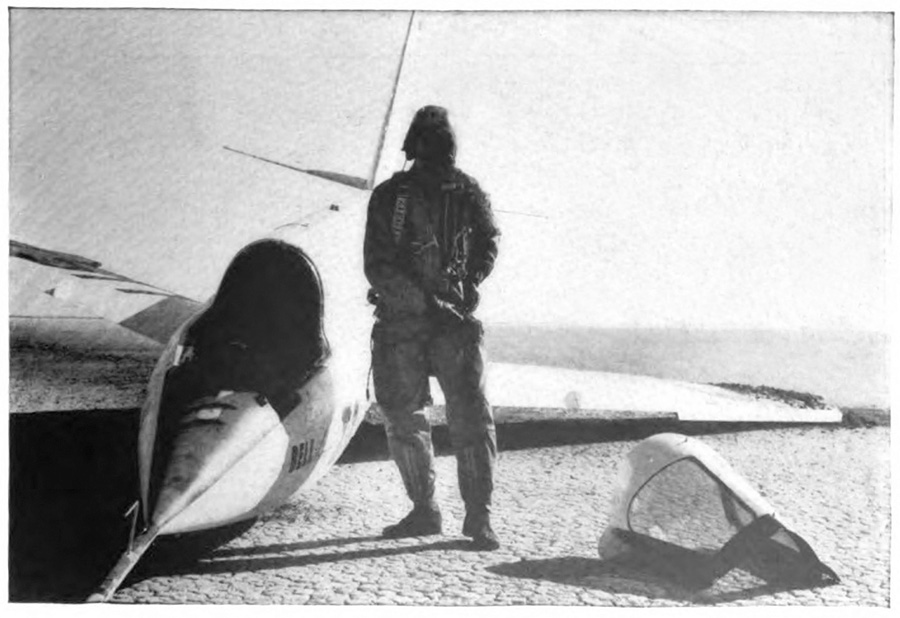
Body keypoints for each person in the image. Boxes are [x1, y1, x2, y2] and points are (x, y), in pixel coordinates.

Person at [364, 105, 501, 550]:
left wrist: (470, 282)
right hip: (404, 324)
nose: (434, 153)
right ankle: (425, 510)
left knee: (471, 419)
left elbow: (489, 240)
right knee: (404, 418)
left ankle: (479, 517)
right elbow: (378, 264)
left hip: (453, 326)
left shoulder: (467, 193)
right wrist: (424, 301)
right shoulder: (390, 197)